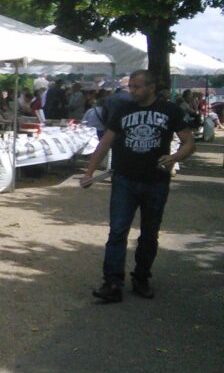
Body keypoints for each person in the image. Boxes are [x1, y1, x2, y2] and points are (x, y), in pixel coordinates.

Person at [82, 69, 196, 302]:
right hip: (124, 179)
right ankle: (112, 283)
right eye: (130, 86)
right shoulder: (123, 110)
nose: (132, 91)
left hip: (155, 181)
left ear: (151, 87)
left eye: (137, 87)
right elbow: (105, 142)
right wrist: (90, 172)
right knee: (117, 231)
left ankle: (141, 277)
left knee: (149, 234)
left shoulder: (170, 110)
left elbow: (189, 143)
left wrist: (175, 157)